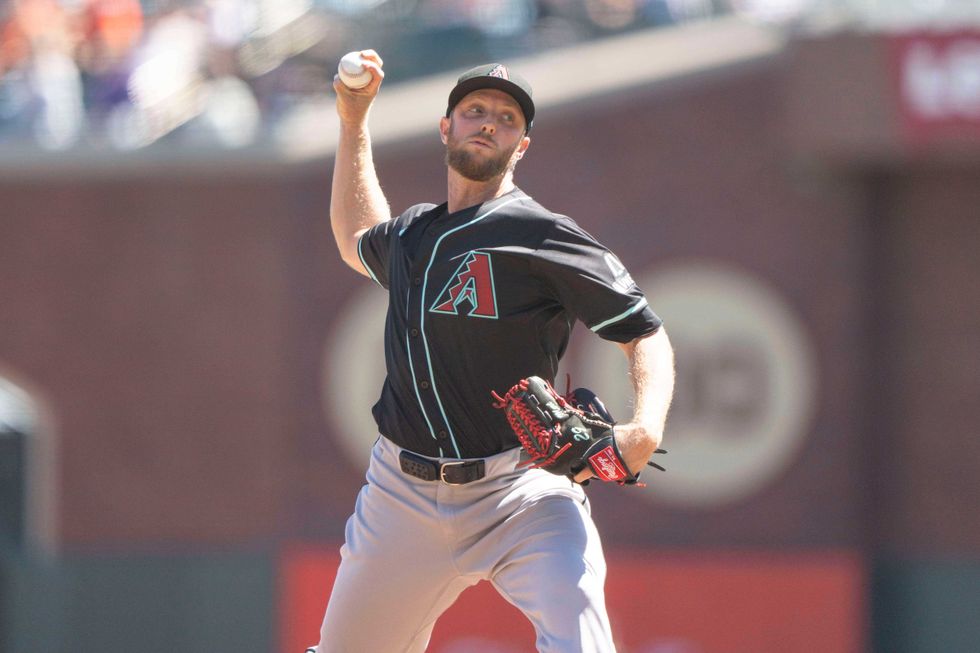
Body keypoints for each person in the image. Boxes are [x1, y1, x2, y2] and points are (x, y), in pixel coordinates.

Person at [314, 50, 675, 653]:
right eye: (475, 110)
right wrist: (353, 117)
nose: (488, 122)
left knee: (582, 643)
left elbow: (644, 330)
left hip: (521, 490)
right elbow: (355, 239)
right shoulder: (412, 235)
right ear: (445, 127)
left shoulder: (542, 234)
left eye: (506, 118)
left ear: (523, 145)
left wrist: (646, 427)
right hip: (400, 495)